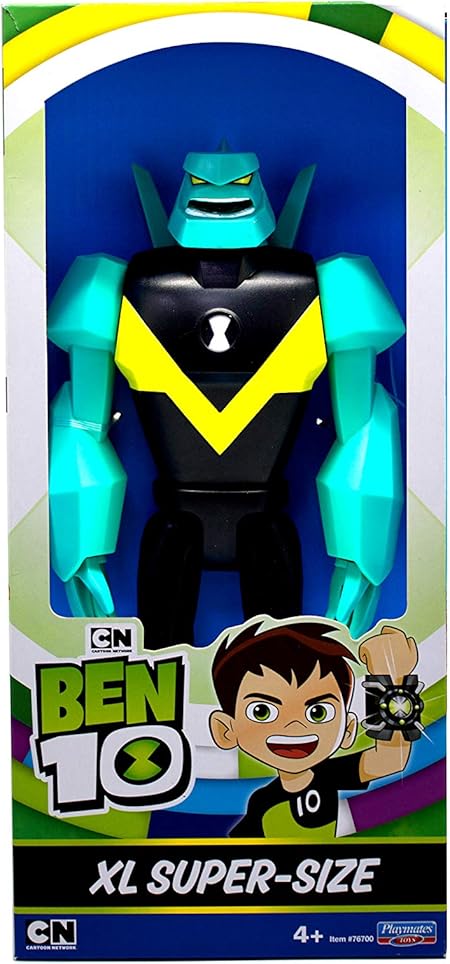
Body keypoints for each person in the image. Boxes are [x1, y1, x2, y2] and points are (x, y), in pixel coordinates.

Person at [209, 618, 419, 838]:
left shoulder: (329, 775)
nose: (294, 726)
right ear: (225, 730)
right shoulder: (262, 802)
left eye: (318, 713)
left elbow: (390, 759)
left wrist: (391, 680)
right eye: (262, 711)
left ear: (347, 729)